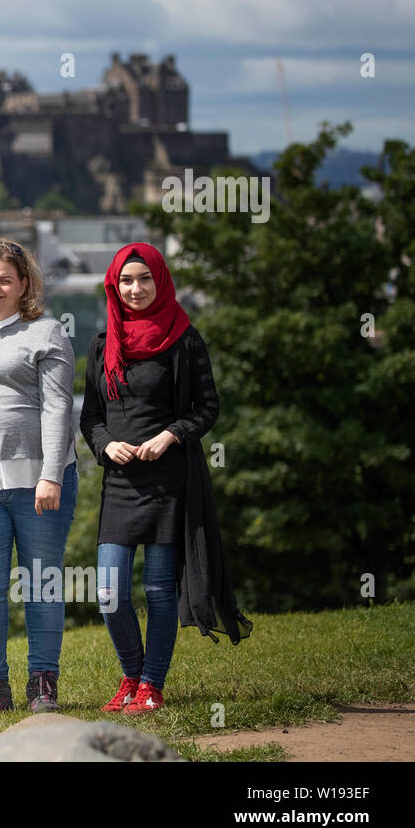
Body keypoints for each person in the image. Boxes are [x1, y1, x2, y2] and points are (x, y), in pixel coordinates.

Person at [81, 243, 249, 715]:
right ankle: (130, 675)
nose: (135, 289)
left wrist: (171, 435)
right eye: (126, 282)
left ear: (160, 281)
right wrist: (104, 445)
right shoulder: (101, 344)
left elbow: (207, 407)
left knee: (158, 589)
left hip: (169, 481)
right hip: (121, 482)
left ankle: (151, 686)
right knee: (109, 592)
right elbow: (91, 416)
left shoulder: (185, 340)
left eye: (144, 280)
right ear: (114, 287)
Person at [0, 239, 78, 715]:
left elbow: (58, 406)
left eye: (5, 279)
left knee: (42, 581)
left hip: (39, 481)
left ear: (24, 284)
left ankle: (43, 684)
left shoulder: (46, 332)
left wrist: (50, 476)